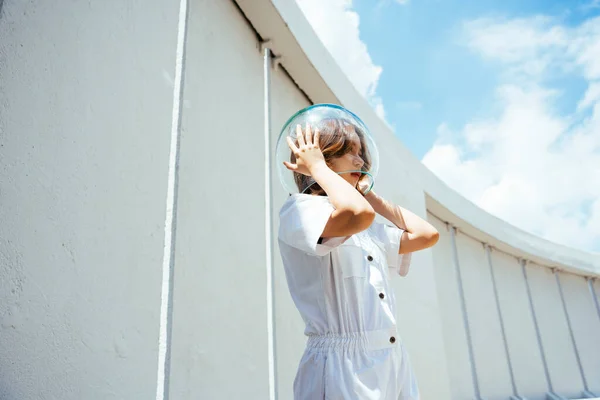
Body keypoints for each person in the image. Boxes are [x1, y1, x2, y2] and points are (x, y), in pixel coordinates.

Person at [278, 119, 440, 400]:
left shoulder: (367, 226)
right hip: (342, 367)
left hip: (392, 357)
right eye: (349, 152)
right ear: (322, 156)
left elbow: (427, 234)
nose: (360, 160)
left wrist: (371, 195)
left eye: (362, 153)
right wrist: (318, 169)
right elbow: (357, 215)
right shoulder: (300, 210)